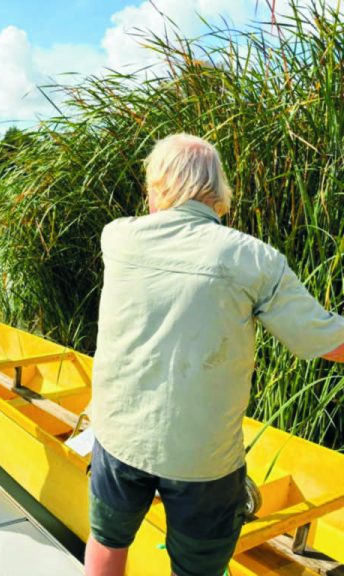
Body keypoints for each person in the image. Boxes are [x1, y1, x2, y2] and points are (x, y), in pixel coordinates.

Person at [84, 133, 344, 576]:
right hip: (202, 458)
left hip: (119, 436)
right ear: (217, 192)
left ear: (158, 187)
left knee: (107, 538)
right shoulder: (254, 260)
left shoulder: (118, 238)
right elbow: (327, 342)